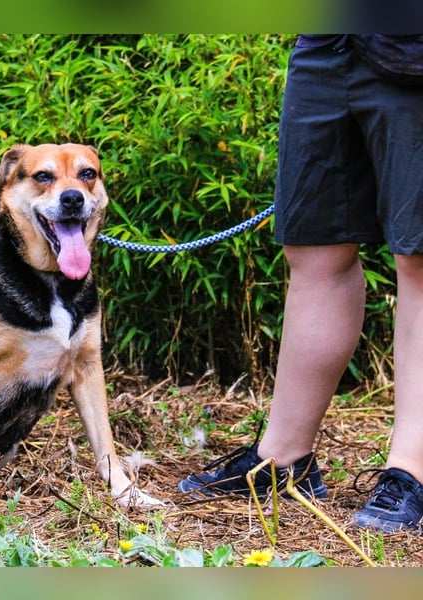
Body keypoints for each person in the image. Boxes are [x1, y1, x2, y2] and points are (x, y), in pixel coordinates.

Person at [178, 34, 423, 533]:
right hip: (327, 44)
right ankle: (285, 460)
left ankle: (412, 470)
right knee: (315, 247)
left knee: (418, 257)